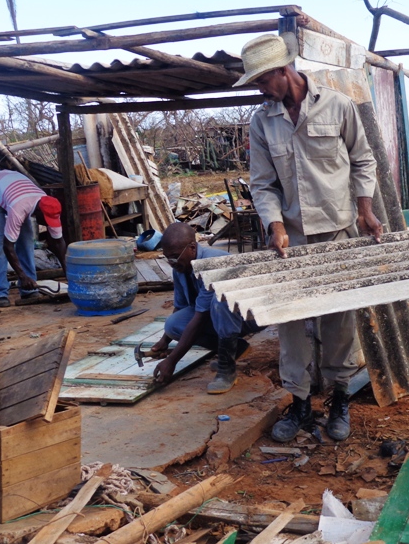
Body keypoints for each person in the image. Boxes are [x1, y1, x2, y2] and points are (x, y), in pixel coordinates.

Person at [233, 33, 383, 442]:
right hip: (292, 242)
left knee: (340, 323)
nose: (260, 90)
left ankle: (339, 399)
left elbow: (362, 159)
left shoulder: (338, 106)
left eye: (262, 81)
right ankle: (299, 404)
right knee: (291, 324)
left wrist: (366, 209)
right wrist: (275, 225)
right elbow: (262, 183)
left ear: (283, 71)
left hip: (337, 232)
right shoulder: (262, 121)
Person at [151, 223, 261, 394]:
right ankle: (237, 348)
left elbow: (200, 318)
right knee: (173, 325)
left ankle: (226, 369)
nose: (171, 263)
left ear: (192, 248)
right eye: (167, 258)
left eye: (174, 257)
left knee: (220, 301)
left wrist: (172, 361)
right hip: (222, 315)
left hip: (252, 315)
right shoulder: (180, 268)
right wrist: (165, 341)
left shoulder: (213, 263)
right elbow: (181, 307)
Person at [0, 169, 67, 307]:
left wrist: (68, 272)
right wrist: (22, 275)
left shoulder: (49, 205)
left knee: (26, 241)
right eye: (46, 220)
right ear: (38, 212)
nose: (47, 223)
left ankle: (29, 289)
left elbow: (58, 242)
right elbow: (7, 246)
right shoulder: (19, 209)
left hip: (13, 187)